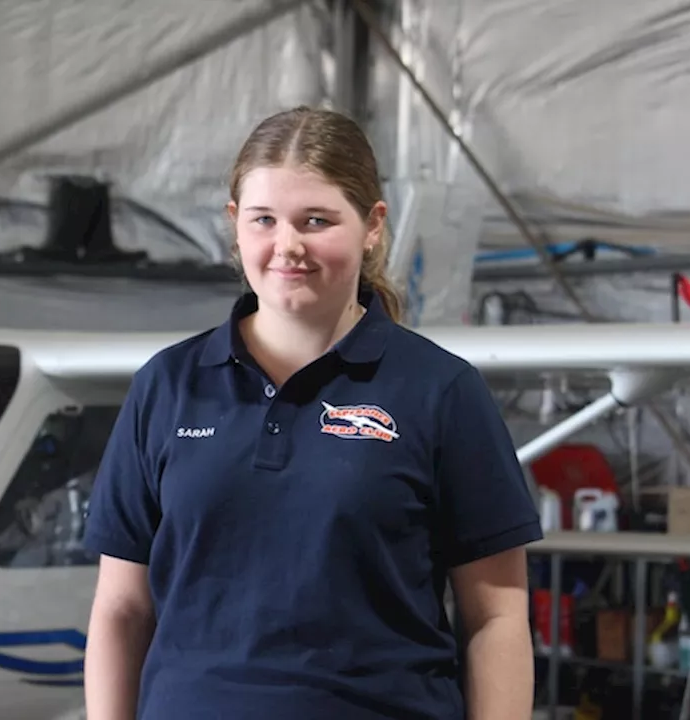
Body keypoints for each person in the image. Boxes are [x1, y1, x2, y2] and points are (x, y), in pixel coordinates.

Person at [82, 105, 541, 719]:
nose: (287, 246)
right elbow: (122, 610)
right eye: (264, 219)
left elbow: (497, 617)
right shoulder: (166, 387)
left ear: (372, 225)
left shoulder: (441, 391)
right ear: (235, 225)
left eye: (317, 220)